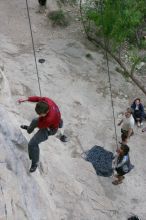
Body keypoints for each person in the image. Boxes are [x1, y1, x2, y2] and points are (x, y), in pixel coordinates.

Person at [18, 96, 63, 172]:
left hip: (50, 129)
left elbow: (40, 126)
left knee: (32, 144)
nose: (39, 115)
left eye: (41, 114)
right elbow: (37, 98)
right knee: (35, 120)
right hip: (55, 117)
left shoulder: (48, 119)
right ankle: (29, 129)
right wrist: (26, 99)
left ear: (47, 111)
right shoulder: (46, 101)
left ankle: (35, 163)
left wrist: (39, 121)